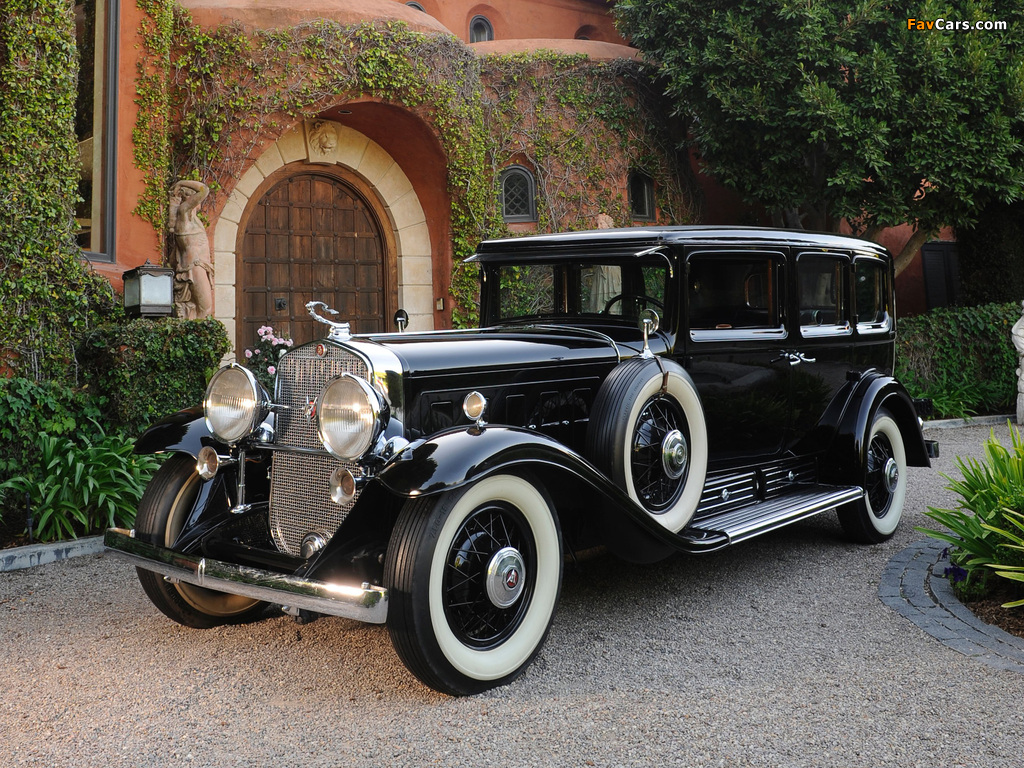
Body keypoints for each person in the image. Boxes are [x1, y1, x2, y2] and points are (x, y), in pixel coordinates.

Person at [169, 179, 214, 319]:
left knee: (198, 309)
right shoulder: (184, 212)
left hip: (197, 265)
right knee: (206, 308)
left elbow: (174, 257)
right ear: (190, 198)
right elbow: (204, 189)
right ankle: (200, 333)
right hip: (195, 266)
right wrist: (181, 183)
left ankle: (194, 330)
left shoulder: (190, 219)